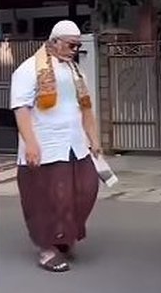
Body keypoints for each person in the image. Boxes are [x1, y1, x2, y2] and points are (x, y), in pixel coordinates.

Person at [11, 20, 100, 273]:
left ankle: (63, 236)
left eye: (78, 45)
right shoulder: (29, 69)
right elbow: (21, 109)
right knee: (44, 200)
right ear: (55, 41)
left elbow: (85, 108)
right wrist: (30, 143)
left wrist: (93, 139)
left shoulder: (74, 71)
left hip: (74, 145)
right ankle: (47, 248)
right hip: (45, 145)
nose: (75, 49)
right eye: (71, 44)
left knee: (86, 189)